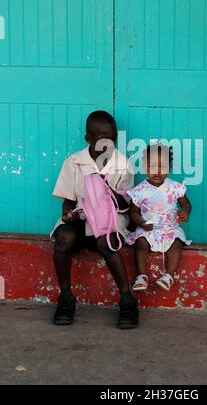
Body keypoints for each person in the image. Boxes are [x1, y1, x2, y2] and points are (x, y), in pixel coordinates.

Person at [50, 110, 138, 329]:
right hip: (82, 217)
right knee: (63, 239)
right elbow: (68, 200)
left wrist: (106, 186)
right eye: (102, 140)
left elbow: (127, 206)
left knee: (105, 242)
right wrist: (67, 213)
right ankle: (66, 298)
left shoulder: (123, 164)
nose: (108, 144)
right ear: (88, 139)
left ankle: (127, 301)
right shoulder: (74, 162)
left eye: (112, 139)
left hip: (111, 217)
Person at [127, 144, 192, 292]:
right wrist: (141, 223)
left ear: (169, 168)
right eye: (152, 166)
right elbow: (133, 212)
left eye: (162, 167)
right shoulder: (139, 190)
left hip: (170, 229)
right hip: (148, 229)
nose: (157, 171)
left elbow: (186, 204)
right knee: (141, 243)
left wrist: (185, 213)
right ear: (144, 167)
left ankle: (168, 276)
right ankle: (142, 276)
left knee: (177, 242)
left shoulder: (175, 187)